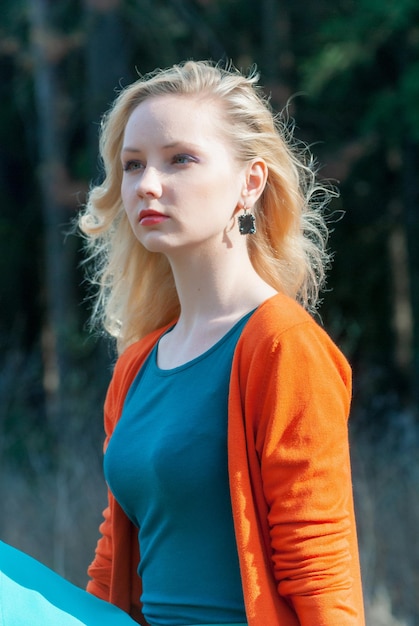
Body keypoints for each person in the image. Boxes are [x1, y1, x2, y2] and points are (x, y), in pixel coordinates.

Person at [76, 60, 365, 626]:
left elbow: (319, 563)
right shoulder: (136, 364)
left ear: (249, 183)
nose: (147, 184)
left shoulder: (282, 346)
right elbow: (115, 554)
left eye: (180, 159)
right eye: (133, 165)